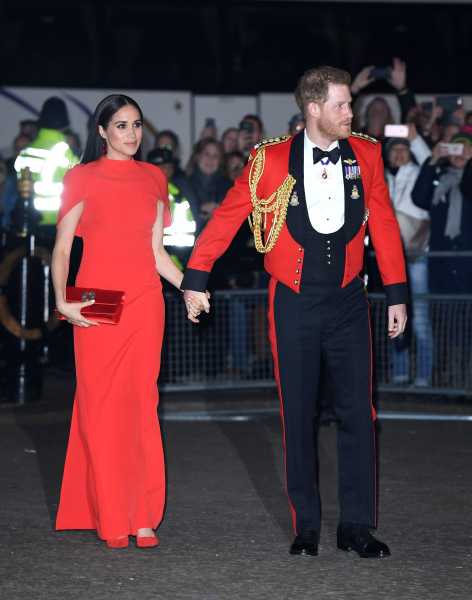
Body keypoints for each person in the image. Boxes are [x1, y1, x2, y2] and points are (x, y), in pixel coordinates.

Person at [182, 65, 408, 559]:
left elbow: (385, 224)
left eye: (350, 104)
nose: (351, 112)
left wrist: (396, 292)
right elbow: (227, 214)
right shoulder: (271, 160)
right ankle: (306, 525)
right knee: (298, 413)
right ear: (313, 109)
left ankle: (356, 527)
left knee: (359, 414)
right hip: (293, 299)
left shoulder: (366, 153)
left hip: (350, 299)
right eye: (342, 105)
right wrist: (195, 275)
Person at [52, 94, 186, 549]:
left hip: (146, 302)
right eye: (122, 126)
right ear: (102, 131)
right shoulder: (81, 178)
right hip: (95, 301)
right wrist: (61, 301)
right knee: (102, 409)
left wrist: (191, 287)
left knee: (141, 406)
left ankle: (143, 514)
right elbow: (63, 248)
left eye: (137, 125)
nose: (132, 134)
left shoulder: (154, 178)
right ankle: (112, 515)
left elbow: (157, 255)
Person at [384, 135, 433, 386]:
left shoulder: (417, 173)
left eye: (405, 149)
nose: (400, 153)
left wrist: (415, 139)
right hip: (392, 260)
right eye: (395, 149)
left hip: (416, 257)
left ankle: (424, 375)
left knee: (421, 318)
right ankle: (401, 371)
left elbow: (430, 160)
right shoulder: (383, 178)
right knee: (396, 315)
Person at [412, 131, 472, 294]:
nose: (460, 154)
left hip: (468, 259)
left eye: (465, 150)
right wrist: (433, 160)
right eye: (456, 149)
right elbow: (419, 198)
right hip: (441, 257)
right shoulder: (439, 179)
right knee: (441, 313)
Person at [14, 97, 78, 228]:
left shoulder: (25, 153)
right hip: (59, 221)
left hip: (30, 220)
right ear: (65, 125)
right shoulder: (65, 152)